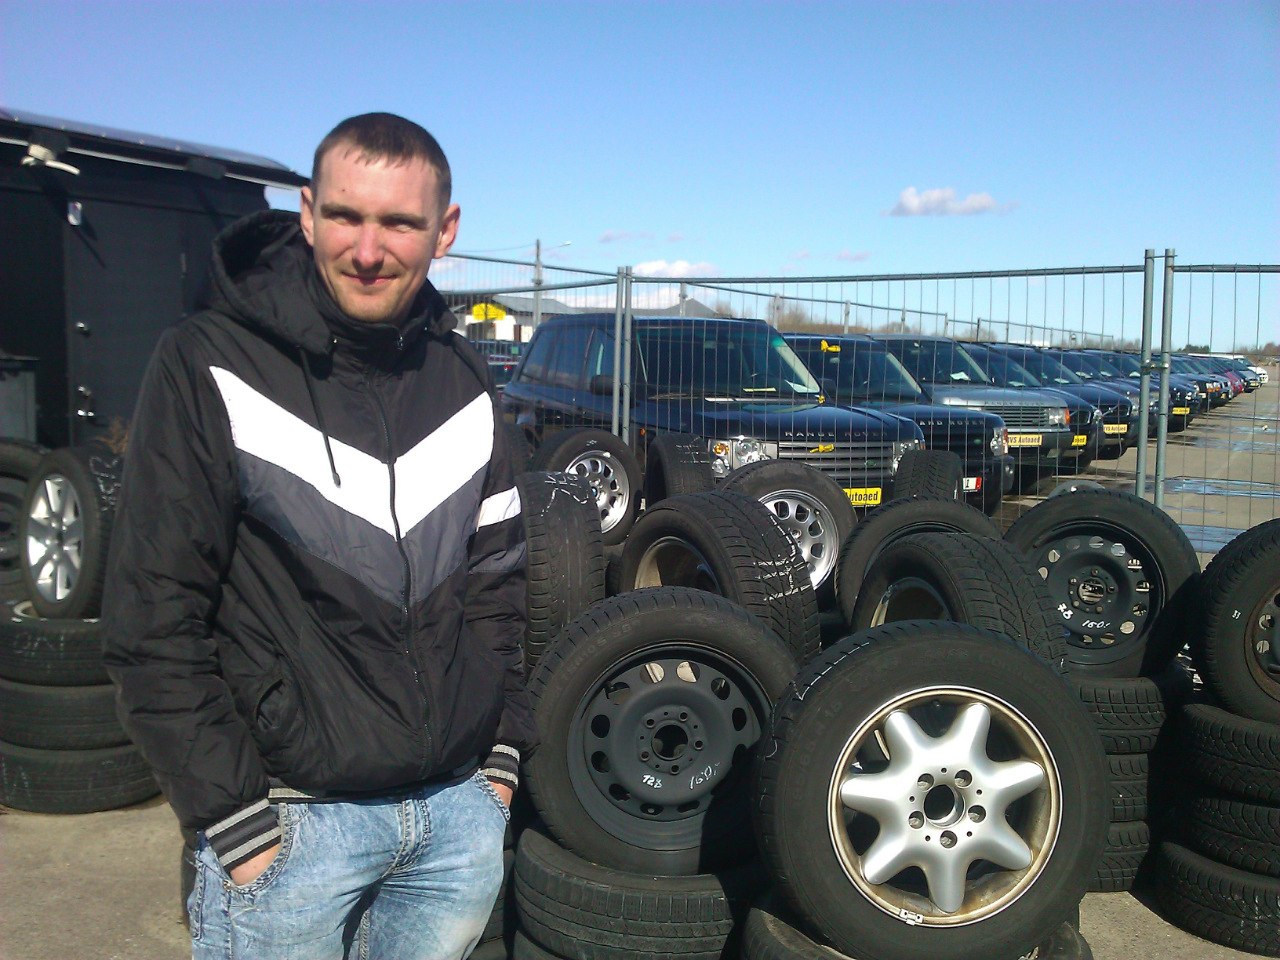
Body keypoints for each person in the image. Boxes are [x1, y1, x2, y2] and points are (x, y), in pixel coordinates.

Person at [102, 112, 534, 959]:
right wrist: (236, 822)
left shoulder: (464, 382)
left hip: (453, 821)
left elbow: (503, 582)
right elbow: (151, 615)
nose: (367, 250)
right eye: (345, 215)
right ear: (307, 213)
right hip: (291, 829)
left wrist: (499, 766)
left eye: (399, 222)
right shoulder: (210, 363)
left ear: (445, 230)